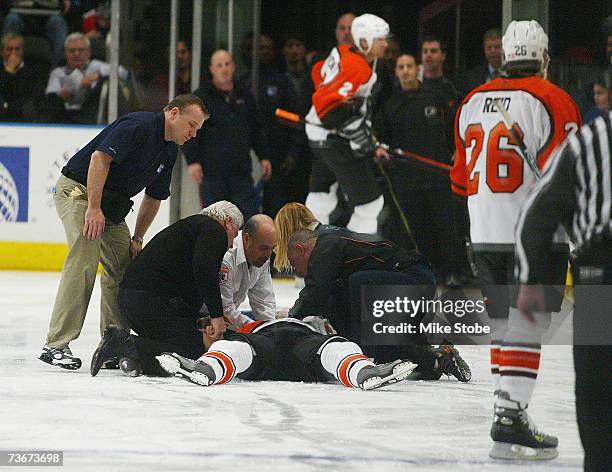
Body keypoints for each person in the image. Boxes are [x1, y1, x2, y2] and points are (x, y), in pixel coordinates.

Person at [451, 20, 582, 460]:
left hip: (483, 232)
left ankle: (505, 410)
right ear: (543, 57)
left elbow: (459, 180)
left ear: (504, 56)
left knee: (505, 326)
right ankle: (510, 418)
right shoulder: (553, 98)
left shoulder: (471, 101)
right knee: (527, 328)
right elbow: (568, 178)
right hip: (534, 234)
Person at [39, 93, 209, 371]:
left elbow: (154, 197)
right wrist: (93, 208)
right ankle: (55, 344)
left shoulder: (169, 151)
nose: (193, 133)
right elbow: (99, 159)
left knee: (123, 270)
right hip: (80, 193)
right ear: (174, 113)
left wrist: (138, 237)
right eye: (191, 125)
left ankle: (113, 342)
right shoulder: (138, 126)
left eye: (198, 130)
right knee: (84, 260)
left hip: (112, 208)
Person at [515, 111, 612, 472]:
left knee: (597, 385)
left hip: (601, 273)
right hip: (599, 269)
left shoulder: (590, 139)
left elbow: (536, 216)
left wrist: (529, 284)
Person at [285, 228, 471, 383]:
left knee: (358, 282)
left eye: (294, 264)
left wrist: (291, 317)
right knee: (384, 350)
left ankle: (366, 354)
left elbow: (316, 290)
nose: (297, 272)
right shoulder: (334, 243)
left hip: (414, 280)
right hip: (409, 284)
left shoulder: (324, 246)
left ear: (302, 249)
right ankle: (437, 358)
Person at [90, 201, 244, 377]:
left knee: (185, 343)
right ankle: (125, 343)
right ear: (228, 222)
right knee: (191, 351)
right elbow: (204, 270)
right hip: (147, 300)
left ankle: (134, 355)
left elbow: (190, 283)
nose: (232, 244)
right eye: (235, 233)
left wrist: (200, 320)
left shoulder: (192, 230)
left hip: (134, 300)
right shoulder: (213, 229)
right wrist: (216, 316)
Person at [374, 53, 460, 283]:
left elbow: (455, 127)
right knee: (417, 228)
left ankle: (452, 272)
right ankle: (427, 272)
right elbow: (380, 139)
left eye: (409, 66)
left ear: (417, 69)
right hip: (406, 179)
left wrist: (457, 151)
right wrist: (380, 151)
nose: (405, 71)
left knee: (445, 225)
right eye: (400, 67)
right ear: (397, 72)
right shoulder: (390, 104)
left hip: (437, 176)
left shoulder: (436, 97)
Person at [157, 316, 415, 391]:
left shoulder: (314, 322)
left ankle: (364, 372)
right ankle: (362, 372)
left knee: (336, 347)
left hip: (280, 342)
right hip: (294, 343)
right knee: (335, 349)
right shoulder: (252, 322)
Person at [305, 13, 389, 234]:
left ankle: (305, 248)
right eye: (380, 39)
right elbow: (329, 111)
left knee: (320, 196)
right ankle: (356, 251)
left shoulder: (343, 52)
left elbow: (318, 73)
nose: (386, 44)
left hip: (319, 136)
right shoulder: (357, 68)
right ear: (365, 41)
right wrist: (360, 135)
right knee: (370, 203)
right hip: (333, 139)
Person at [182, 49, 271, 220]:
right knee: (215, 220)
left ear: (234, 66)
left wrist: (263, 156)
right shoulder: (202, 97)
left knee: (248, 219)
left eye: (227, 64)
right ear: (212, 69)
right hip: (212, 173)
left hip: (241, 172)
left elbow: (255, 128)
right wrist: (192, 161)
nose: (224, 69)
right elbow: (190, 129)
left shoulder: (244, 93)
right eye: (219, 65)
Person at [45, 32, 129, 124]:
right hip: (64, 115)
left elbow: (123, 72)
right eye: (72, 51)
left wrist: (98, 76)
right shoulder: (57, 73)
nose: (76, 54)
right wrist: (62, 94)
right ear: (66, 53)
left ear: (89, 52)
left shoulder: (96, 66)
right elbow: (50, 96)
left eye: (81, 50)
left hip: (92, 115)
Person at [220, 214, 278, 328]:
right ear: (246, 239)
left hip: (230, 317)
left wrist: (271, 329)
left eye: (272, 248)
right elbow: (225, 310)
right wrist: (256, 328)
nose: (268, 255)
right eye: (264, 248)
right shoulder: (227, 257)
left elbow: (263, 300)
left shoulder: (263, 256)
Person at [2, 0, 68, 65]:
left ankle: (58, 69)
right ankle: (8, 67)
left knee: (58, 22)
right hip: (20, 15)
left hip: (50, 17)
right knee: (11, 19)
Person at [0, 32, 47, 122]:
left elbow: (35, 94)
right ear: (2, 52)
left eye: (17, 49)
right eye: (9, 49)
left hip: (24, 112)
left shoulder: (35, 70)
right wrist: (9, 70)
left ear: (23, 51)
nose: (13, 53)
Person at [460, 29, 503, 94]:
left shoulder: (511, 73)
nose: (493, 51)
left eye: (497, 47)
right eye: (489, 47)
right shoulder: (473, 78)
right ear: (484, 49)